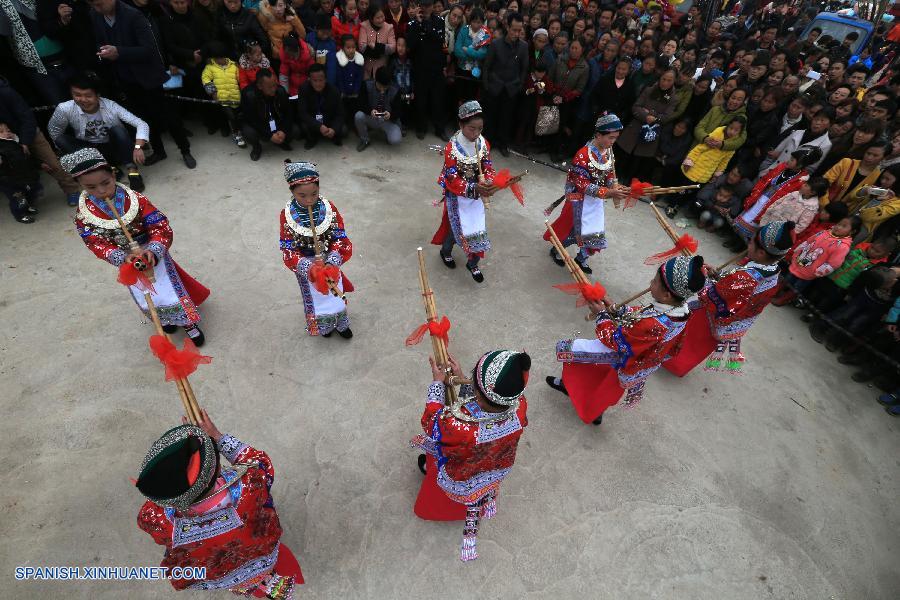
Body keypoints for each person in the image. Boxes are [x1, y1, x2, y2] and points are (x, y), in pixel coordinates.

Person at [136, 411, 303, 598]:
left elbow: (148, 515)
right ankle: (265, 579)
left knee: (231, 573)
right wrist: (218, 437)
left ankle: (245, 586)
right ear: (216, 466)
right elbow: (260, 462)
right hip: (260, 554)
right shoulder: (250, 485)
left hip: (219, 572)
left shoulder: (159, 520)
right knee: (257, 551)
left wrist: (167, 487)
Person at [63, 148, 208, 344]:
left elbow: (159, 224)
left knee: (168, 288)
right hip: (127, 260)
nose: (101, 191)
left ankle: (188, 323)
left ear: (114, 174)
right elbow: (94, 242)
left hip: (151, 251)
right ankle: (164, 319)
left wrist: (155, 249)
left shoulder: (135, 199)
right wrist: (120, 256)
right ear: (80, 185)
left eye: (106, 183)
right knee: (145, 293)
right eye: (91, 187)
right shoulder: (84, 215)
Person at [548, 255, 706, 424]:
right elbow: (643, 315)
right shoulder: (681, 309)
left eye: (654, 281)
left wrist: (602, 315)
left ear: (667, 295)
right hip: (638, 360)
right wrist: (618, 309)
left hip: (625, 358)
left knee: (573, 353)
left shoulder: (653, 325)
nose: (650, 283)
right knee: (604, 386)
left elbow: (615, 341)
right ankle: (592, 407)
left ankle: (576, 393)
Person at [410, 350, 530, 561]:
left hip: (462, 476)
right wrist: (464, 380)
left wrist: (438, 383)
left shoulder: (458, 426)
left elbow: (431, 423)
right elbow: (484, 407)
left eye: (473, 380)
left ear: (478, 395)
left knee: (437, 458)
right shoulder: (520, 409)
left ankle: (434, 474)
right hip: (494, 469)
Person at [664, 221, 794, 377]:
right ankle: (677, 365)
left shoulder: (748, 276)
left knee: (689, 340)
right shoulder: (774, 271)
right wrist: (719, 277)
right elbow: (737, 292)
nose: (748, 244)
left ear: (761, 253)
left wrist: (703, 278)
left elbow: (714, 296)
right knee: (698, 346)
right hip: (734, 322)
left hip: (710, 319)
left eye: (751, 242)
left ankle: (668, 362)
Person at [88, 0, 196, 170]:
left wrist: (119, 52)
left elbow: (149, 49)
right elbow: (98, 40)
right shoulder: (96, 15)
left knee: (168, 116)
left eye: (99, 4)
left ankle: (185, 150)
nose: (97, 8)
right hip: (125, 78)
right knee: (143, 119)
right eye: (93, 5)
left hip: (149, 76)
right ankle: (159, 150)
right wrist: (103, 52)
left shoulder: (133, 15)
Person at [544, 113, 630, 275]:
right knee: (572, 229)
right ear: (598, 135)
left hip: (596, 199)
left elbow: (610, 175)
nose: (613, 142)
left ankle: (581, 258)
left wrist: (617, 187)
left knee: (594, 230)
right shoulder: (582, 155)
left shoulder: (608, 153)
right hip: (577, 198)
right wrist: (609, 192)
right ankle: (556, 251)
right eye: (610, 138)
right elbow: (582, 185)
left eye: (615, 138)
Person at [279, 160, 354, 338]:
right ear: (292, 191)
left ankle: (342, 323)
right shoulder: (287, 214)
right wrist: (310, 268)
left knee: (336, 295)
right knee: (317, 298)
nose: (309, 200)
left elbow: (340, 236)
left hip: (330, 261)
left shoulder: (328, 208)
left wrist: (333, 260)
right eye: (302, 195)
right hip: (308, 267)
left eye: (314, 193)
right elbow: (287, 248)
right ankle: (325, 326)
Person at [430, 101, 497, 283]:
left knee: (477, 228)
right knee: (456, 228)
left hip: (476, 193)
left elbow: (488, 166)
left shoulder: (484, 144)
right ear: (460, 125)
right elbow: (451, 178)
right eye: (471, 129)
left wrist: (489, 180)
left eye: (480, 129)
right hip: (457, 194)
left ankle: (473, 262)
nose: (475, 134)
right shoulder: (452, 148)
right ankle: (445, 251)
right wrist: (474, 187)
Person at [47, 75, 149, 192]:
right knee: (61, 140)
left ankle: (133, 172)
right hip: (89, 151)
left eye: (88, 96)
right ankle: (106, 168)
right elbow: (54, 131)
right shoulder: (65, 108)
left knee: (118, 131)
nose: (83, 100)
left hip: (112, 147)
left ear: (98, 95)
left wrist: (137, 147)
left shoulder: (110, 105)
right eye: (77, 95)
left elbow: (141, 124)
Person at [0, 76, 81, 206]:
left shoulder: (6, 92)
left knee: (52, 164)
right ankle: (24, 200)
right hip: (3, 141)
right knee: (9, 172)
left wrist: (24, 142)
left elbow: (27, 118)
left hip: (27, 132)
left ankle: (72, 189)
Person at [732, 146, 823, 244]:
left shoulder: (801, 181)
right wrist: (756, 192)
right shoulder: (782, 167)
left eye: (792, 160)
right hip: (762, 196)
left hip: (773, 204)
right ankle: (733, 237)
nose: (788, 161)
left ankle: (742, 243)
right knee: (748, 215)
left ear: (800, 165)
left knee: (756, 223)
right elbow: (765, 179)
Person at [774, 216, 861, 304]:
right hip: (799, 262)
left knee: (797, 287)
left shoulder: (843, 246)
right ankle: (774, 292)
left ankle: (785, 299)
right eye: (839, 224)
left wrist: (820, 271)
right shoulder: (824, 232)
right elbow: (809, 241)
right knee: (788, 279)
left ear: (852, 232)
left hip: (811, 271)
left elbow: (834, 263)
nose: (838, 227)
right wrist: (798, 250)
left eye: (844, 226)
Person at [614, 68, 678, 182]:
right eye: (664, 79)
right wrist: (645, 116)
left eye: (669, 80)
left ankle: (628, 181)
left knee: (637, 159)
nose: (665, 83)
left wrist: (652, 116)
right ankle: (615, 177)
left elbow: (666, 117)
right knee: (624, 154)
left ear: (673, 81)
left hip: (650, 132)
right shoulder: (649, 90)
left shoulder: (673, 98)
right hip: (636, 126)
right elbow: (636, 106)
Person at [406, 0, 448, 140]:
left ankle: (439, 129)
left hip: (436, 67)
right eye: (423, 5)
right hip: (420, 67)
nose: (426, 8)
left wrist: (425, 25)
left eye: (429, 5)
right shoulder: (412, 24)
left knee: (438, 100)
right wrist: (418, 24)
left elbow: (439, 40)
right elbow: (410, 44)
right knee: (421, 100)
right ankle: (421, 127)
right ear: (419, 6)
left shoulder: (440, 21)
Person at [240, 68, 295, 161]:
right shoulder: (248, 94)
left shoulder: (280, 91)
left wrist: (283, 130)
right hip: (259, 124)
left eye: (275, 85)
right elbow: (251, 120)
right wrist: (269, 135)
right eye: (270, 87)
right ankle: (257, 147)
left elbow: (288, 113)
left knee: (295, 130)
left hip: (276, 122)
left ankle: (280, 140)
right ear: (260, 86)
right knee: (249, 132)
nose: (274, 89)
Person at [200, 41, 245, 148]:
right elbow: (205, 79)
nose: (220, 60)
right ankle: (237, 134)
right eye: (217, 58)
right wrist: (213, 92)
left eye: (221, 57)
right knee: (231, 116)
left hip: (236, 97)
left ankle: (239, 129)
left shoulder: (234, 66)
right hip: (222, 99)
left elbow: (241, 80)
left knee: (238, 116)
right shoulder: (210, 68)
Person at [824, 143, 888, 212]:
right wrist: (825, 204)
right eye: (868, 153)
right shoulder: (846, 163)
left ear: (883, 158)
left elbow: (863, 202)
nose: (869, 157)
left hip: (845, 213)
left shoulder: (878, 176)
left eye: (875, 156)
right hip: (825, 203)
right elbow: (825, 182)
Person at [0, 122, 42, 224]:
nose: (7, 133)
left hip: (24, 176)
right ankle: (20, 214)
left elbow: (26, 158)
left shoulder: (15, 143)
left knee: (31, 191)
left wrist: (39, 164)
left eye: (8, 130)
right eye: (1, 132)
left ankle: (27, 207)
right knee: (18, 197)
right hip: (9, 180)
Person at [759, 176, 829, 234]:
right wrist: (766, 216)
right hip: (766, 222)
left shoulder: (810, 208)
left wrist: (782, 232)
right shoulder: (795, 194)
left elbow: (801, 226)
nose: (802, 185)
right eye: (805, 183)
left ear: (812, 192)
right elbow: (777, 203)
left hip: (777, 233)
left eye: (806, 185)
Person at [354, 66, 401, 151]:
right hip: (372, 117)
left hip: (388, 120)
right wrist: (370, 111)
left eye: (385, 87)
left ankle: (385, 133)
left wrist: (391, 114)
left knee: (395, 140)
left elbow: (399, 110)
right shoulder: (366, 84)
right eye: (380, 86)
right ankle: (365, 140)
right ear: (376, 80)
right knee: (358, 116)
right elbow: (360, 103)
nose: (382, 89)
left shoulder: (395, 90)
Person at [298, 63, 344, 148]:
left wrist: (334, 129)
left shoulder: (334, 91)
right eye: (314, 80)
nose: (318, 84)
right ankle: (312, 138)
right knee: (302, 127)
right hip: (313, 121)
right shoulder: (303, 89)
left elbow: (340, 113)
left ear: (325, 79)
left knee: (344, 129)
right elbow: (303, 113)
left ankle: (331, 134)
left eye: (321, 80)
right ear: (309, 79)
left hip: (328, 121)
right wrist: (319, 126)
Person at [453, 7, 491, 102]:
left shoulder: (485, 35)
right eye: (474, 21)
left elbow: (482, 54)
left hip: (475, 71)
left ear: (482, 22)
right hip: (462, 69)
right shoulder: (464, 30)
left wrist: (467, 50)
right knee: (459, 97)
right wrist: (473, 54)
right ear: (470, 21)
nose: (476, 25)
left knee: (471, 98)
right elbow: (457, 50)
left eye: (479, 22)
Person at [358, 3, 395, 80]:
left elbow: (392, 48)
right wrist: (381, 50)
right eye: (378, 18)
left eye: (382, 16)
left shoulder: (389, 27)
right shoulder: (364, 26)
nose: (381, 20)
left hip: (383, 70)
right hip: (367, 69)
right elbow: (362, 46)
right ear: (371, 18)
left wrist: (376, 46)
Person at [335, 34, 365, 128]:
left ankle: (355, 126)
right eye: (348, 47)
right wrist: (342, 91)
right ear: (343, 48)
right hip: (343, 93)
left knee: (355, 109)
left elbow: (359, 77)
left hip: (355, 93)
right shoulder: (340, 60)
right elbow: (339, 77)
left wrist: (356, 90)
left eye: (353, 47)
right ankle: (345, 125)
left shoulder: (359, 60)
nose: (351, 50)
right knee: (344, 110)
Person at [307, 12, 339, 84]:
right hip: (311, 76)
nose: (325, 35)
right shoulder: (309, 38)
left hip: (324, 78)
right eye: (322, 32)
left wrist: (329, 84)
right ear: (316, 29)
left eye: (328, 32)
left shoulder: (331, 44)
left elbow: (332, 68)